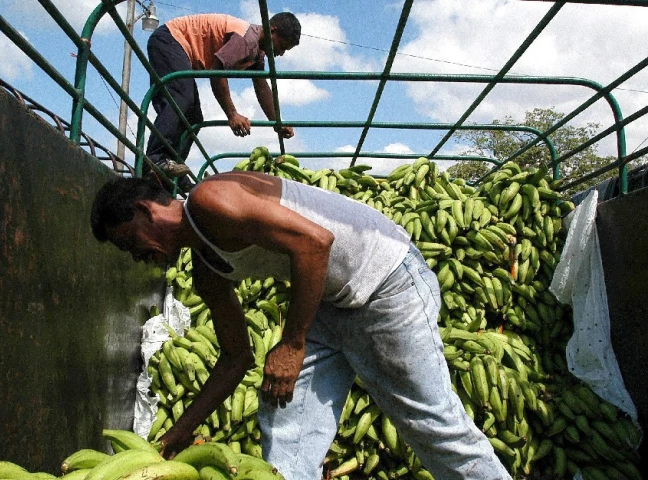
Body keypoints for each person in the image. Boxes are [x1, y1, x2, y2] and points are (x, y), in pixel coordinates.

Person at [90, 172, 512, 480]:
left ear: (146, 210)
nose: (135, 255)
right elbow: (235, 358)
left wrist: (292, 344)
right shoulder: (207, 272)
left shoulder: (209, 200)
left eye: (129, 241)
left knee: (430, 423)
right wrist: (178, 434)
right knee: (284, 421)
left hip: (385, 281)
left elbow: (315, 241)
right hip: (328, 302)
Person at [144, 12, 300, 178]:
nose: (281, 53)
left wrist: (276, 122)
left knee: (194, 118)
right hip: (170, 39)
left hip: (178, 47)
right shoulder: (245, 39)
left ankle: (172, 170)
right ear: (272, 31)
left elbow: (261, 85)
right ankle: (156, 159)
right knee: (181, 98)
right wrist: (232, 114)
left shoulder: (257, 52)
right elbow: (217, 72)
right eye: (282, 46)